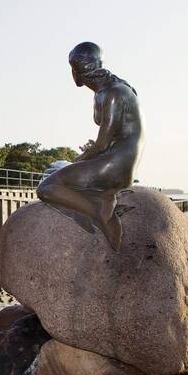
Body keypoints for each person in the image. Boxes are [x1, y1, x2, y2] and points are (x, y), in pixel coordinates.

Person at [36, 42, 143, 251]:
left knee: (47, 187)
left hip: (117, 166)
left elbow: (102, 145)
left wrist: (79, 159)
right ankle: (97, 200)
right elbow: (110, 138)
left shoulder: (113, 93)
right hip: (115, 159)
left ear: (76, 72)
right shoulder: (105, 90)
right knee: (56, 167)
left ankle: (99, 210)